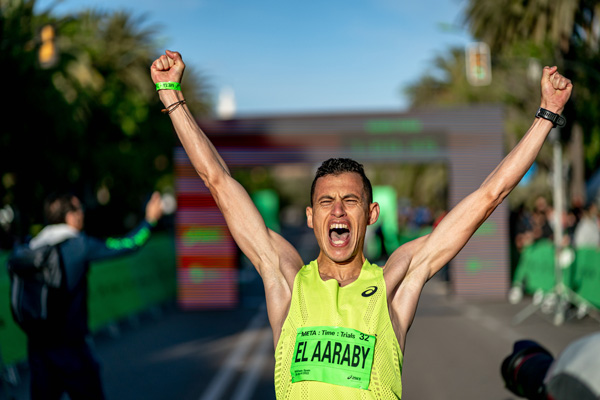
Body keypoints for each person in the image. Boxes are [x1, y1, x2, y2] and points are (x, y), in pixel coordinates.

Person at [151, 50, 572, 399]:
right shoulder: (286, 279)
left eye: (350, 201)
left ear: (370, 214)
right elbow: (218, 181)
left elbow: (488, 196)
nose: (337, 212)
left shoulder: (395, 280)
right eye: (326, 203)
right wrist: (171, 95)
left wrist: (547, 114)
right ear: (311, 217)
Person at [19, 191, 163, 400]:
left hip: (38, 348)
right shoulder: (79, 245)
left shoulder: (33, 246)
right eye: (79, 209)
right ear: (70, 216)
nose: (82, 214)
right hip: (72, 348)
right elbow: (128, 245)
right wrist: (150, 221)